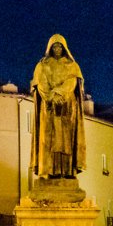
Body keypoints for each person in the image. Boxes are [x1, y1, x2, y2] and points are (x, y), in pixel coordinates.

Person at [31, 34, 87, 182]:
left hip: (67, 107)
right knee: (47, 140)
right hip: (48, 107)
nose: (57, 49)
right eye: (54, 46)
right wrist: (50, 96)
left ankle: (67, 171)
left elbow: (72, 82)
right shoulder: (42, 66)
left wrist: (59, 93)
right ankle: (48, 171)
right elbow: (40, 83)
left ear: (64, 48)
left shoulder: (73, 66)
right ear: (50, 48)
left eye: (60, 46)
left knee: (66, 141)